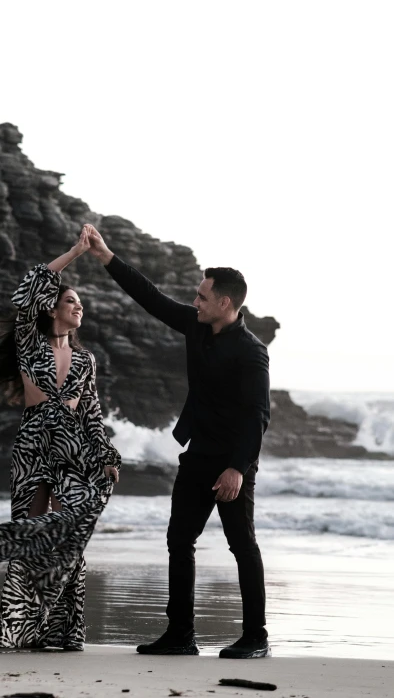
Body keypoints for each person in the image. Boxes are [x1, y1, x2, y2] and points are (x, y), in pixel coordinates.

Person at [85, 224, 270, 659]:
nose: (195, 301)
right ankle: (181, 635)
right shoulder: (195, 325)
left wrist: (237, 470)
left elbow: (257, 416)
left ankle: (256, 637)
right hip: (198, 454)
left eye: (202, 296)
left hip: (231, 464)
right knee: (178, 541)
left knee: (242, 546)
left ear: (225, 302)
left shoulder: (251, 352)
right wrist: (106, 256)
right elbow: (150, 297)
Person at [0, 227, 121, 651]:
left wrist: (105, 455)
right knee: (29, 532)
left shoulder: (87, 359)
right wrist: (75, 252)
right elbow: (29, 287)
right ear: (52, 309)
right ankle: (18, 630)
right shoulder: (30, 342)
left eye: (81, 304)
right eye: (71, 301)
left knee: (67, 537)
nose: (78, 308)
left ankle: (61, 632)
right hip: (33, 442)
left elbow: (92, 413)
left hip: (73, 448)